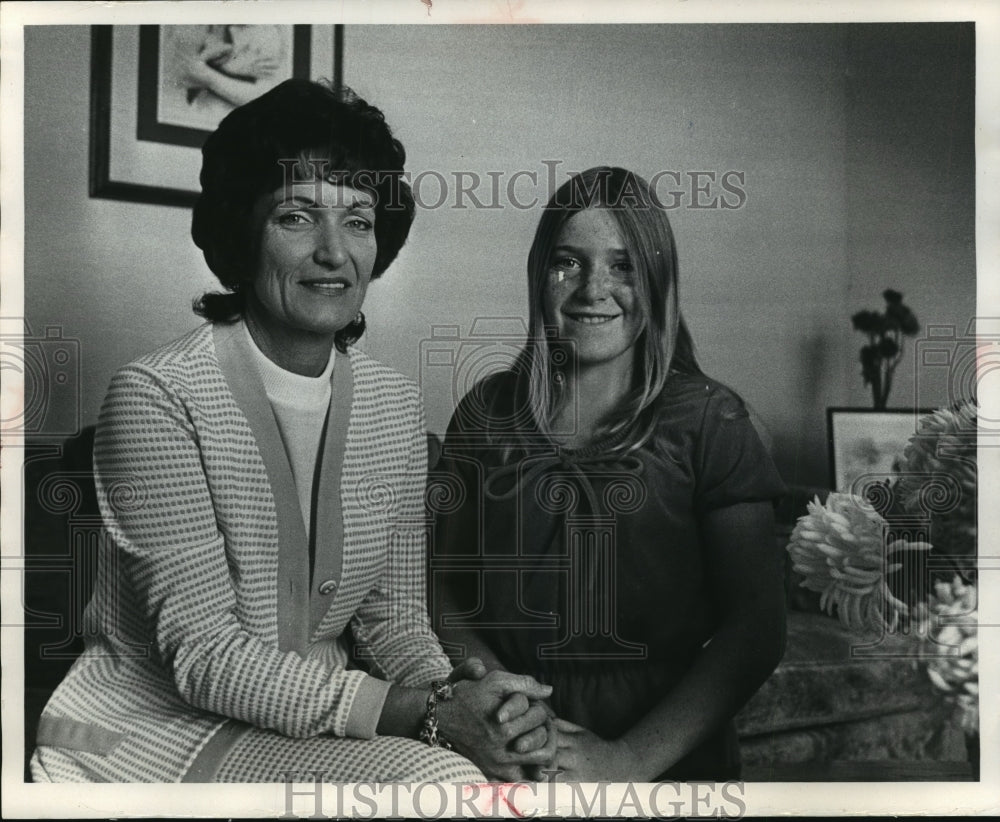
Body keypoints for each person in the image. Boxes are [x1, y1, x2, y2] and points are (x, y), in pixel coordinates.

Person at [30, 79, 554, 783]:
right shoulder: (156, 397)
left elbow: (393, 617)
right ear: (241, 233)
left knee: (514, 778)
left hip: (319, 723)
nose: (333, 252)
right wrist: (425, 721)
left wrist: (464, 705)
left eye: (359, 221)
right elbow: (206, 659)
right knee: (445, 787)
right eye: (297, 217)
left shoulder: (395, 409)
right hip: (152, 731)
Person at [432, 166, 787, 781]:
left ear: (656, 280)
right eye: (568, 262)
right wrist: (508, 712)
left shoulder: (712, 419)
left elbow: (755, 628)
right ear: (538, 274)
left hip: (662, 752)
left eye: (623, 266)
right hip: (509, 743)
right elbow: (440, 591)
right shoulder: (485, 410)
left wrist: (626, 760)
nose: (593, 289)